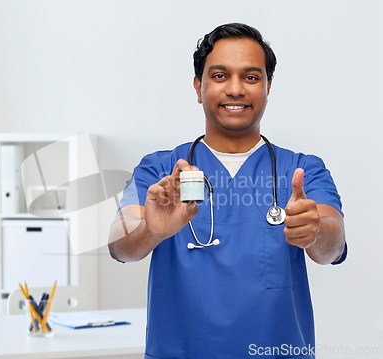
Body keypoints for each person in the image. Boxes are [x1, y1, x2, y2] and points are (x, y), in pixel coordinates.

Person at [108, 23, 347, 359]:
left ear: (267, 86)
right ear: (198, 86)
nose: (236, 89)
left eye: (251, 77)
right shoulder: (162, 170)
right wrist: (150, 230)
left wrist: (316, 231)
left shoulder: (303, 170)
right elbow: (120, 244)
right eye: (220, 76)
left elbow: (333, 247)